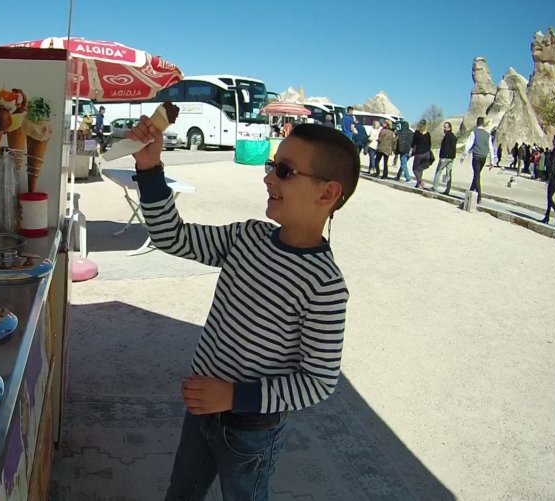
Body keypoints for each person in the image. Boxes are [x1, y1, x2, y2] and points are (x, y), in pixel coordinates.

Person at [126, 117, 356, 501]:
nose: (268, 178)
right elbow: (171, 236)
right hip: (200, 408)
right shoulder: (246, 237)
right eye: (271, 166)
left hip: (252, 428)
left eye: (284, 171)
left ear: (327, 193)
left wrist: (233, 396)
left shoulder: (325, 285)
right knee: (181, 492)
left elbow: (318, 381)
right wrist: (149, 168)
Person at [461, 116, 496, 204]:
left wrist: (463, 155)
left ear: (477, 123)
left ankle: (479, 196)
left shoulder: (474, 132)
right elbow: (491, 148)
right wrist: (492, 161)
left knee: (477, 176)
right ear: (483, 124)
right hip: (483, 157)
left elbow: (469, 144)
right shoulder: (487, 134)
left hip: (476, 156)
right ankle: (470, 192)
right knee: (476, 175)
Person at [432, 122, 457, 195]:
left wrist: (442, 157)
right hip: (451, 157)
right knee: (449, 173)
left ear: (449, 128)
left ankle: (435, 187)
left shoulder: (447, 136)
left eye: (445, 127)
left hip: (445, 157)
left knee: (438, 171)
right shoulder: (453, 136)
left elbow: (445, 147)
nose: (444, 128)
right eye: (444, 127)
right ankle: (447, 190)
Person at [410, 120, 432, 189]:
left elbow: (413, 143)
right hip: (427, 153)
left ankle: (420, 181)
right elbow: (430, 144)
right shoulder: (428, 134)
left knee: (415, 169)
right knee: (420, 169)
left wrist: (411, 150)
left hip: (419, 153)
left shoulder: (416, 133)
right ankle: (418, 184)